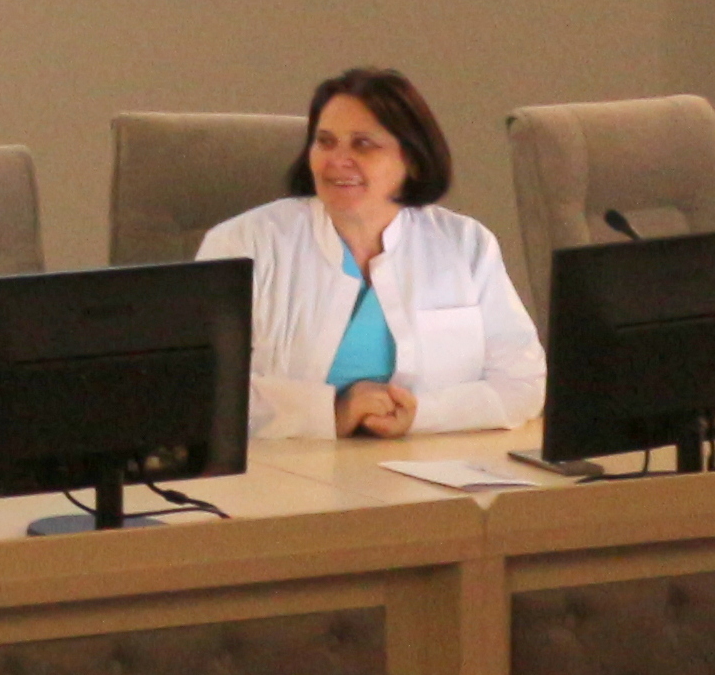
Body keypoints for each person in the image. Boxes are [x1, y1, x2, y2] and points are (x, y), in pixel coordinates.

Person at [196, 66, 541, 444]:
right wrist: (332, 412)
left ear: (412, 159)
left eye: (363, 144)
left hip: (426, 462)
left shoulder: (465, 244)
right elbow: (200, 388)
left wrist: (420, 414)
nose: (337, 160)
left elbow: (523, 383)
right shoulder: (243, 245)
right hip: (284, 468)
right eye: (325, 142)